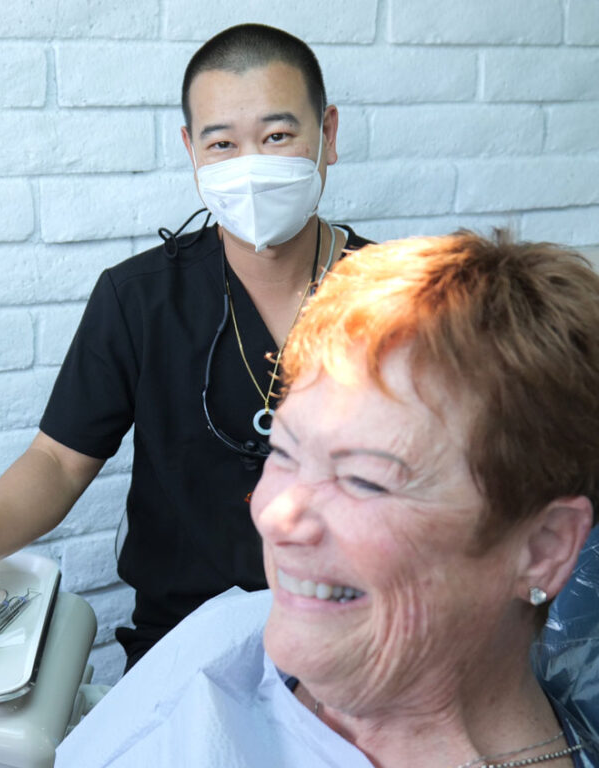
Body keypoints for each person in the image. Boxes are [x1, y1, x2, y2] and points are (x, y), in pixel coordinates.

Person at [0, 24, 371, 670]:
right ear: (191, 151)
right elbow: (58, 462)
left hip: (359, 636)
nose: (250, 165)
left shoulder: (404, 301)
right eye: (222, 143)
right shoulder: (139, 298)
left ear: (327, 134)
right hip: (185, 647)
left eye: (277, 136)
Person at [55, 230, 599, 767]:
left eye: (363, 479)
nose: (274, 515)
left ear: (543, 549)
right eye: (284, 452)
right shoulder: (218, 642)